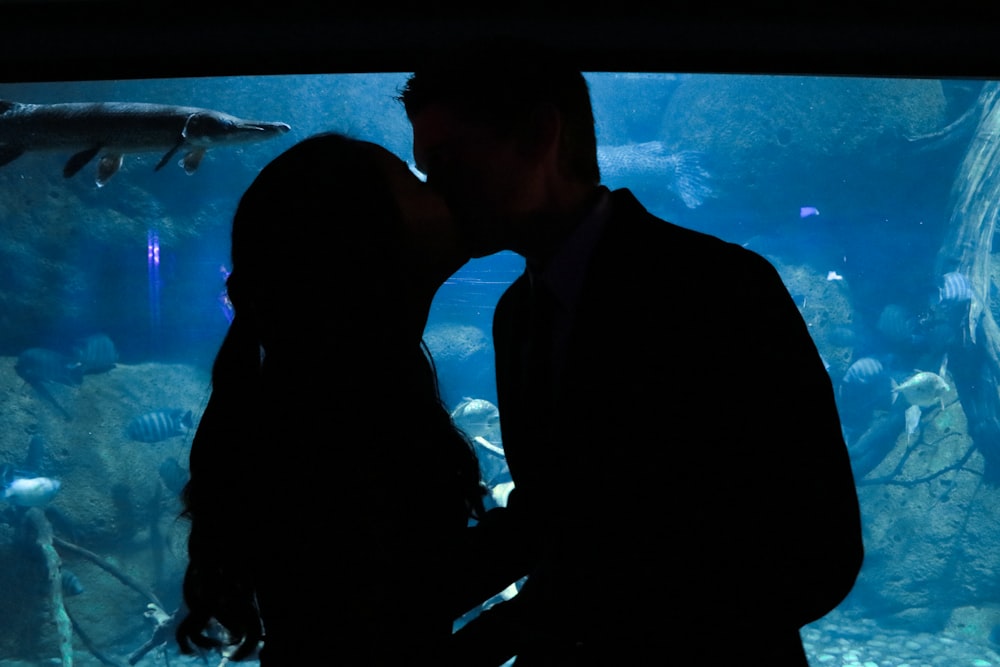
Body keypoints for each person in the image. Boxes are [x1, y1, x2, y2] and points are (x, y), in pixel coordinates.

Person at [398, 38, 865, 665]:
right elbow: (556, 517)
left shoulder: (722, 289)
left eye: (449, 164)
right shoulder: (517, 313)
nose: (436, 194)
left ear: (539, 135)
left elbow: (819, 549)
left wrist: (549, 622)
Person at [174, 132, 491, 664]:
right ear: (363, 242)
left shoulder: (324, 389)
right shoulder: (337, 425)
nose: (435, 185)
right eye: (413, 182)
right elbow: (380, 629)